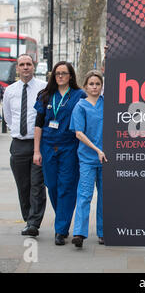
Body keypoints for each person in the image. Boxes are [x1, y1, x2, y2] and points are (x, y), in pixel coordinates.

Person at [33, 61, 87, 245]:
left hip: (69, 146)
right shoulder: (46, 95)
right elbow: (38, 125)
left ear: (71, 75)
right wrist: (36, 151)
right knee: (52, 185)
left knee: (67, 186)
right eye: (57, 73)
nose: (61, 76)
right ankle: (62, 218)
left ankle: (61, 229)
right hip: (48, 146)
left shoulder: (80, 95)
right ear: (53, 76)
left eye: (64, 73)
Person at [3, 54, 47, 237]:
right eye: (22, 64)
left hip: (38, 143)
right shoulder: (10, 91)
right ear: (18, 68)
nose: (26, 67)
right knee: (23, 185)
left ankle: (34, 223)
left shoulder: (44, 88)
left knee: (37, 184)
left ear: (34, 66)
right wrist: (17, 131)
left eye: (29, 64)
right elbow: (7, 116)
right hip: (18, 144)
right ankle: (28, 218)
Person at [70, 70, 106, 248]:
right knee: (84, 195)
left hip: (105, 159)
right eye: (91, 84)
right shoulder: (80, 106)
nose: (94, 87)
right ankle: (79, 233)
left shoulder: (106, 103)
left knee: (105, 197)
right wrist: (97, 150)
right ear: (85, 86)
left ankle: (103, 232)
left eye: (97, 84)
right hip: (87, 158)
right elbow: (78, 133)